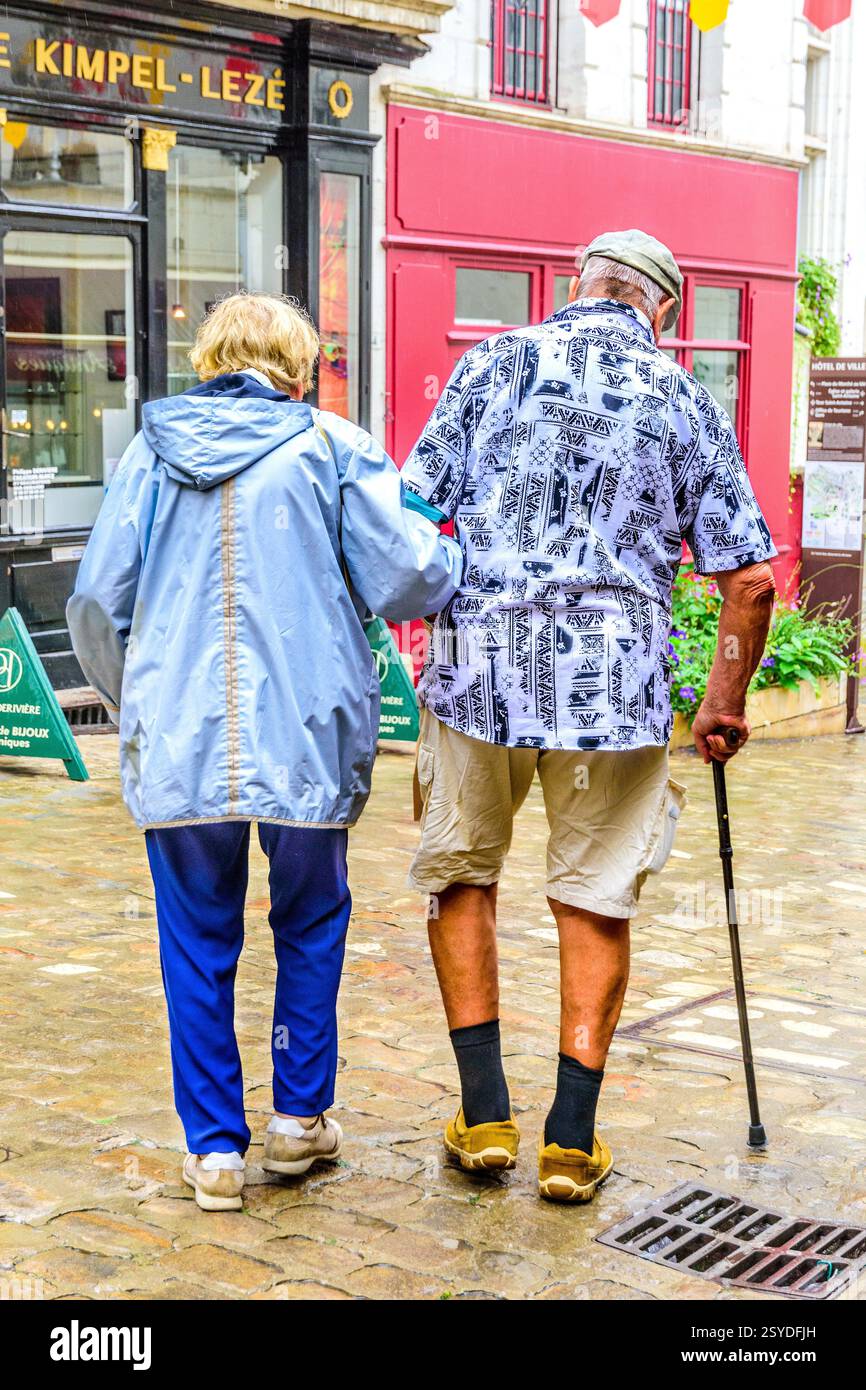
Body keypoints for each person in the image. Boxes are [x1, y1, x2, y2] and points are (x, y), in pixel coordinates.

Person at [401, 229, 776, 1203]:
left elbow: (406, 515)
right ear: (658, 311)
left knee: (460, 873)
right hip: (614, 688)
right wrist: (720, 704)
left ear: (577, 289)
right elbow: (749, 582)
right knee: (592, 896)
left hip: (475, 667)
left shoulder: (490, 362)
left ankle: (482, 1118)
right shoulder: (683, 396)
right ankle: (570, 1143)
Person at [67, 292, 461, 1211]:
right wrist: (452, 549)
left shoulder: (147, 455)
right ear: (298, 367)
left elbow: (94, 603)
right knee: (312, 925)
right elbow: (408, 575)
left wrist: (143, 703)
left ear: (209, 360)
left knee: (195, 942)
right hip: (307, 735)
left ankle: (212, 1151)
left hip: (182, 738)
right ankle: (297, 1119)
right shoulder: (333, 448)